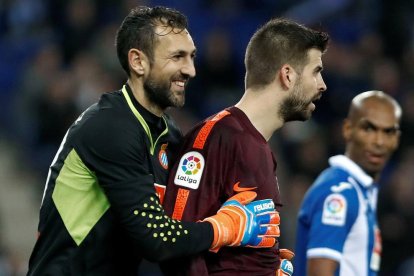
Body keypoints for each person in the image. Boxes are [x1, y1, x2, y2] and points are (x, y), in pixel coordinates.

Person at [27, 6, 280, 275]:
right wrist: (224, 228)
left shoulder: (168, 135)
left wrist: (257, 266)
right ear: (138, 62)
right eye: (177, 57)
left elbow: (185, 227)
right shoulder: (109, 127)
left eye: (192, 57)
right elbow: (157, 239)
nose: (190, 70)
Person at [162, 18, 330, 275]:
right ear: (287, 75)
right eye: (316, 72)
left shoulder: (260, 148)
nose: (322, 85)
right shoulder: (217, 137)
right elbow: (174, 242)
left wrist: (266, 266)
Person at [295, 91, 402, 276]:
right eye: (368, 129)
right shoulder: (339, 194)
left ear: (397, 139)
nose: (378, 141)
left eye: (388, 132)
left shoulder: (359, 191)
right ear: (347, 129)